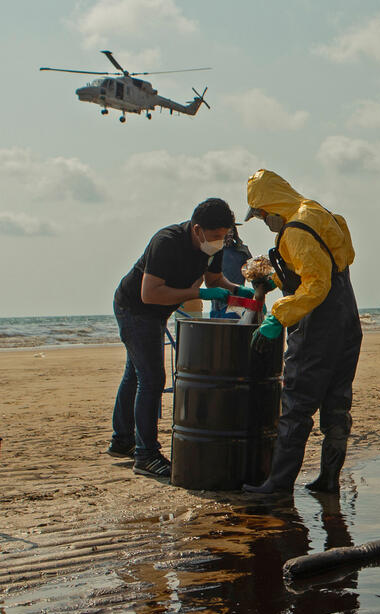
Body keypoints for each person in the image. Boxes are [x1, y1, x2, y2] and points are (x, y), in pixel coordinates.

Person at [110, 198, 249, 478]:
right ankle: (146, 455)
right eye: (215, 237)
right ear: (197, 230)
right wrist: (197, 294)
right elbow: (149, 293)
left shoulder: (214, 247)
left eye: (225, 236)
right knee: (151, 379)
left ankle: (121, 440)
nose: (220, 242)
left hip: (159, 313)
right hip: (135, 309)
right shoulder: (167, 242)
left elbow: (214, 280)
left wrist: (242, 291)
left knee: (135, 375)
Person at [242, 170, 362, 495]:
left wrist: (276, 318)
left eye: (263, 215)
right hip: (347, 320)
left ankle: (278, 485)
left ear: (271, 206)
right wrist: (277, 281)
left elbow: (316, 286)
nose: (264, 221)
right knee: (337, 405)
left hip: (317, 327)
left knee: (296, 405)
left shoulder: (294, 232)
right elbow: (328, 264)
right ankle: (328, 480)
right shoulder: (316, 211)